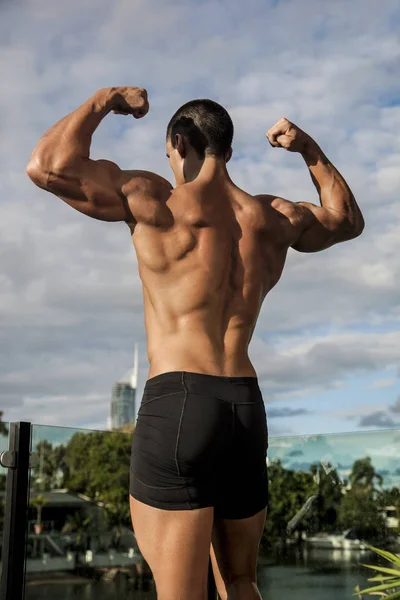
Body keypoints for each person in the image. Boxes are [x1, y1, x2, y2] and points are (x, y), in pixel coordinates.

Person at [27, 86, 364, 600]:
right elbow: (346, 220)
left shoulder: (155, 199)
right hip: (245, 408)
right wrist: (308, 150)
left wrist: (105, 101)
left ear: (179, 142)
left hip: (180, 402)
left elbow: (46, 167)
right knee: (242, 582)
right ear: (228, 149)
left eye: (168, 151)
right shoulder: (273, 218)